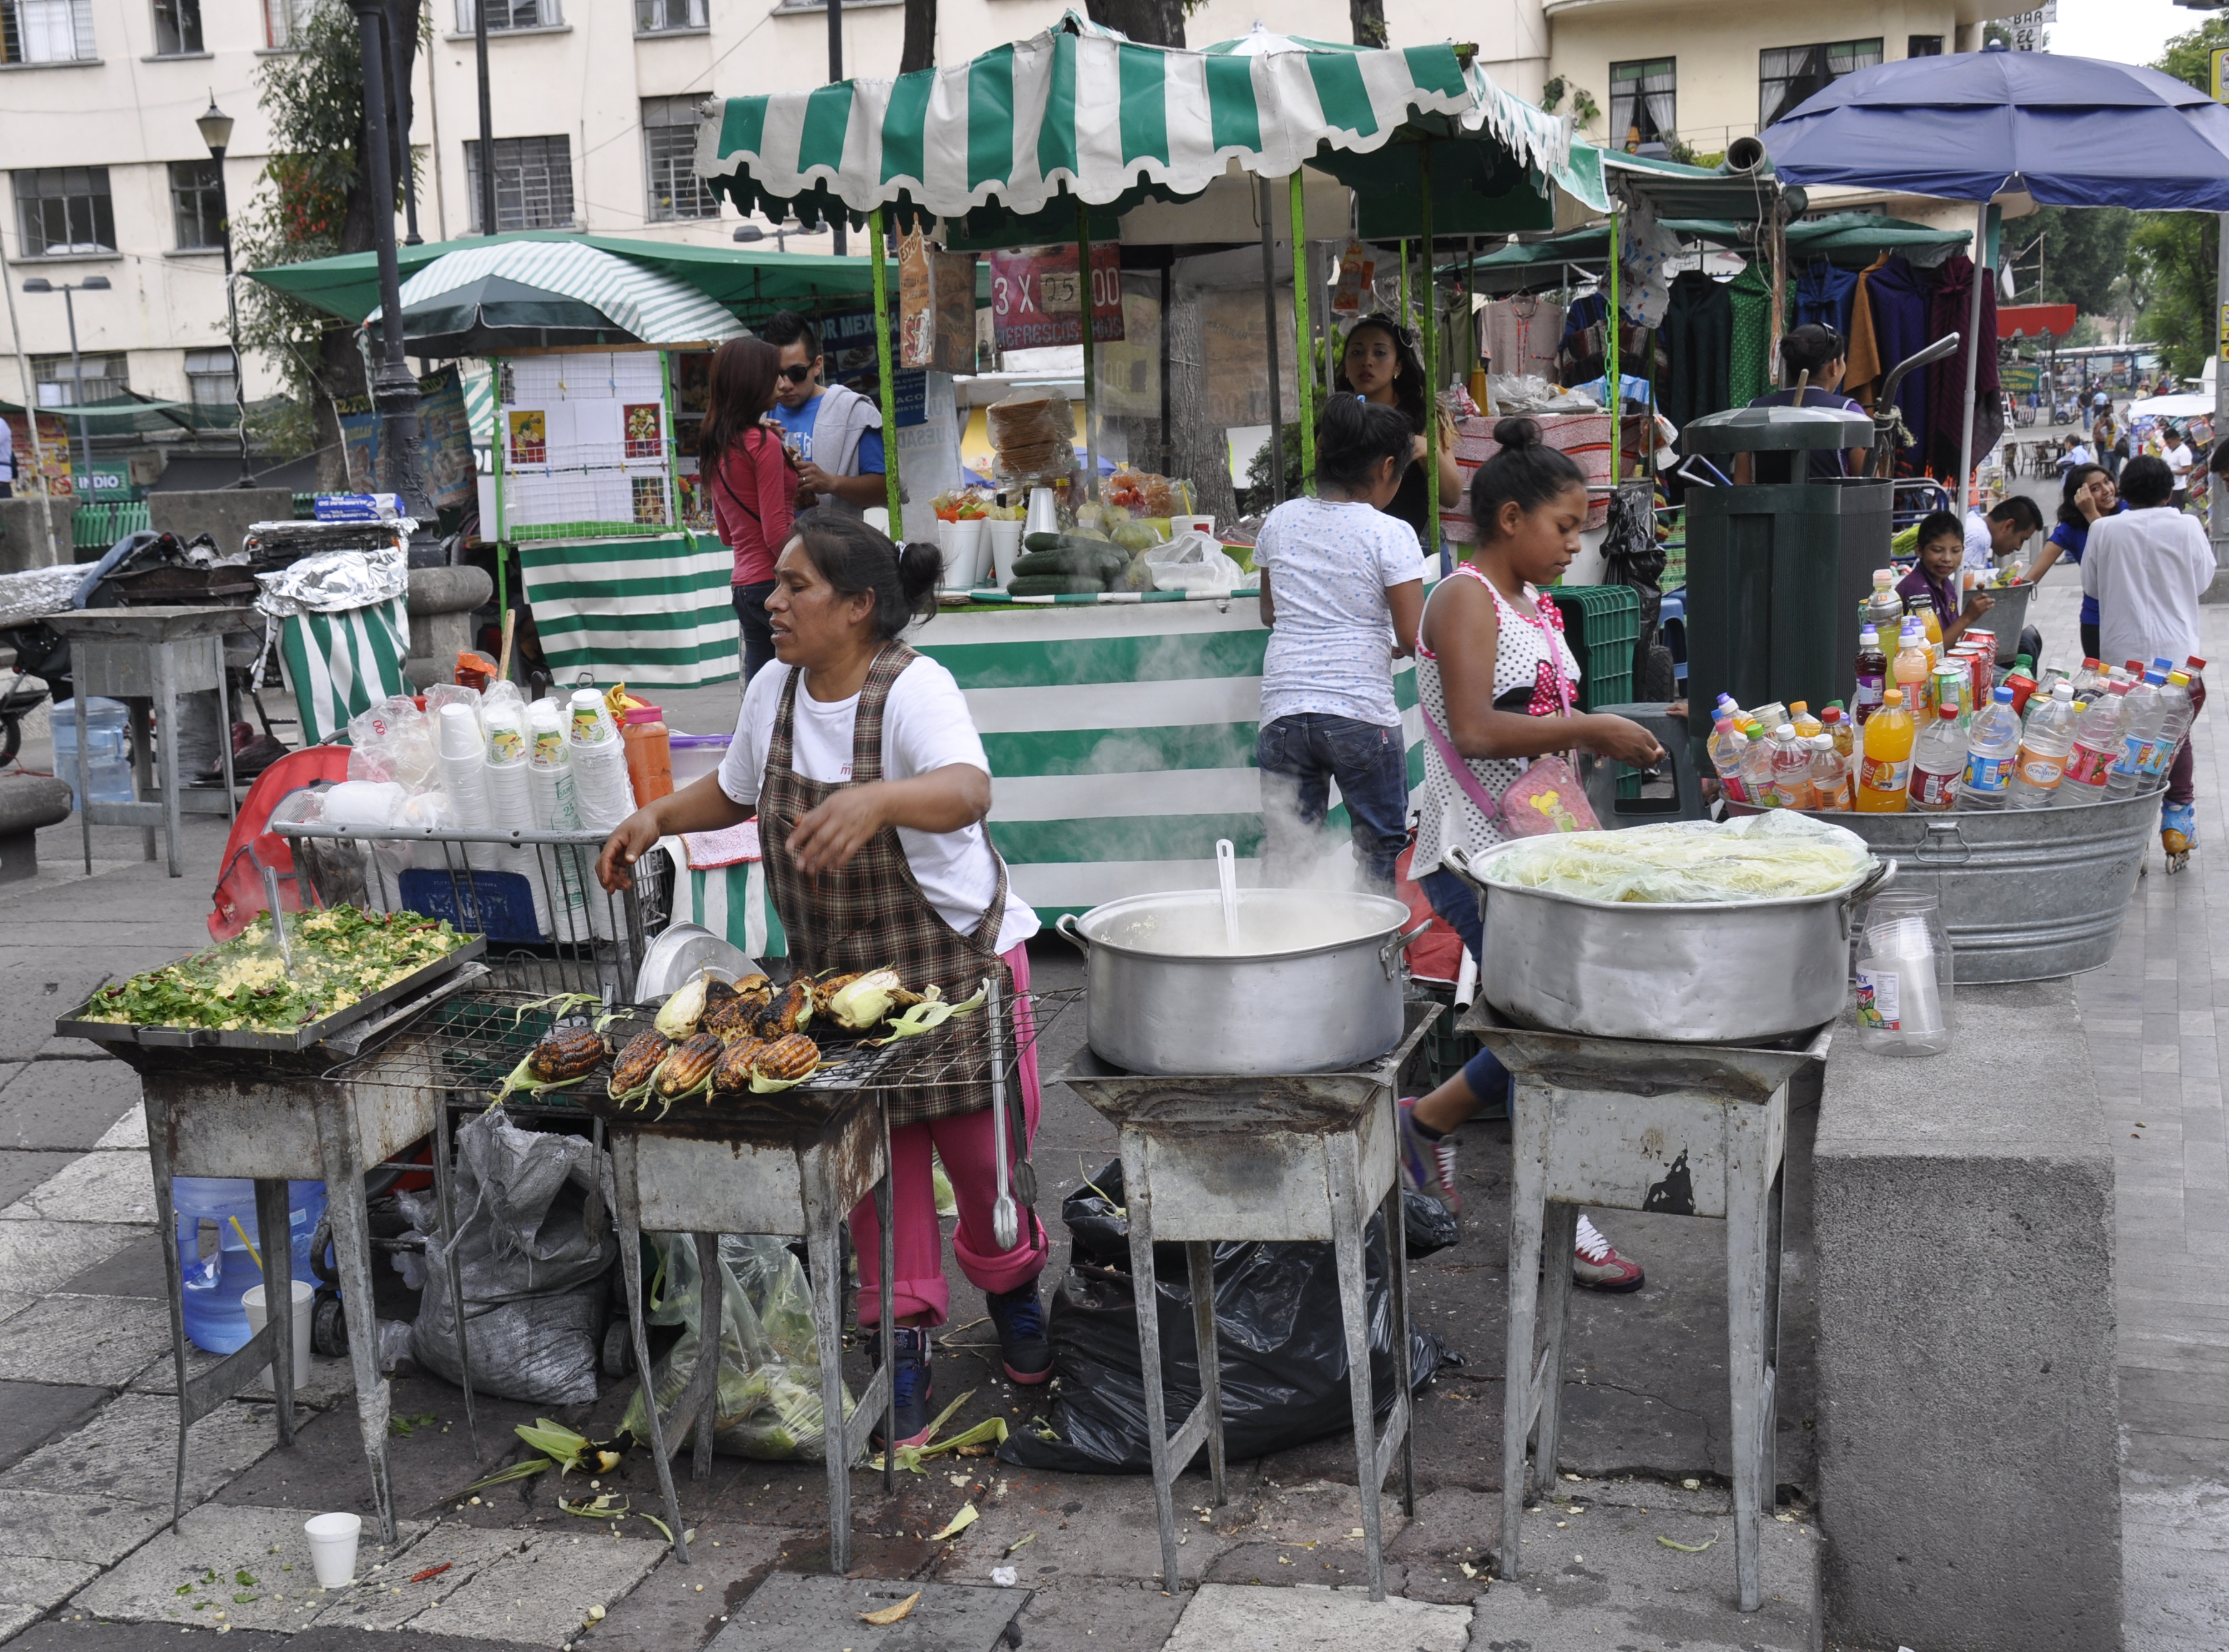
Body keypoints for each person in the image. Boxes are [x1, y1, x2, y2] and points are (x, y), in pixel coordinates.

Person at [595, 510, 1047, 1448]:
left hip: (953, 970)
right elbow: (734, 788)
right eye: (779, 584)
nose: (774, 599)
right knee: (876, 1181)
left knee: (984, 1171)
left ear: (857, 607)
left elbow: (970, 791)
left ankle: (1014, 1296)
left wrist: (879, 797)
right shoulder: (776, 689)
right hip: (842, 990)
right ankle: (904, 1351)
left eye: (796, 586)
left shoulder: (916, 688)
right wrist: (655, 820)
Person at [1401, 416, 1664, 1288]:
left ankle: (1424, 1123)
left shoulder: (1537, 607)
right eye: (1565, 526)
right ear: (1509, 517)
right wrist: (1592, 726)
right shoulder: (1464, 598)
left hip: (1535, 853)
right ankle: (1566, 1213)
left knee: (1538, 1021)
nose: (1574, 544)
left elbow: (1538, 732)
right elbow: (1475, 729)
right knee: (1553, 1028)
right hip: (1473, 855)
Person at [1253, 396, 1427, 894]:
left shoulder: (1279, 520)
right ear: (1387, 467)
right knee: (1379, 848)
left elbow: (1270, 613)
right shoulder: (1390, 533)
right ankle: (1374, 961)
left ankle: (1282, 955)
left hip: (1284, 712)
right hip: (1359, 715)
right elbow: (1413, 636)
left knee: (1288, 850)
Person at [2082, 454, 2218, 866]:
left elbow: (2092, 587)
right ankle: (2176, 825)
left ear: (2123, 491)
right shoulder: (2187, 525)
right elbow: (2203, 580)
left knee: (2124, 738)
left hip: (2122, 660)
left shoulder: (2103, 529)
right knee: (2176, 738)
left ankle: (2129, 832)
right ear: (2167, 491)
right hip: (2176, 656)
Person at [697, 337, 797, 683]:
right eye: (775, 376)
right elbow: (775, 532)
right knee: (793, 690)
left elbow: (727, 534)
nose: (784, 384)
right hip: (775, 582)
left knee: (759, 692)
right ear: (752, 381)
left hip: (743, 587)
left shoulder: (717, 443)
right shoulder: (764, 443)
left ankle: (749, 741)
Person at [1334, 314, 1462, 561]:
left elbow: (1452, 497)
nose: (1367, 362)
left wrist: (1428, 452)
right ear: (1346, 366)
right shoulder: (1335, 422)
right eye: (1357, 353)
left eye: (1380, 353)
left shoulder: (1424, 416)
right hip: (1355, 554)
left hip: (1419, 552)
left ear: (1398, 367)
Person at [759, 311, 890, 517]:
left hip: (835, 545)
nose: (786, 384)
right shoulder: (760, 414)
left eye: (797, 373)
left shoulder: (851, 411)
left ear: (817, 365)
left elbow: (887, 490)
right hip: (779, 546)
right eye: (776, 374)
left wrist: (831, 483)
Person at [1737, 323, 1872, 482]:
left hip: (1767, 506)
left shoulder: (1754, 411)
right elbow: (1869, 487)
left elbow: (1741, 487)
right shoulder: (1849, 413)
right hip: (1831, 507)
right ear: (1834, 366)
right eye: (1843, 360)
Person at [2027, 462, 2120, 661]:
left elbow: (2117, 550)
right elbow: (2032, 576)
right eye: (2095, 489)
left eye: (2107, 482)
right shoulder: (2071, 529)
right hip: (2096, 619)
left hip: (2129, 614)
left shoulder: (2127, 513)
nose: (2106, 490)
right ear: (2079, 497)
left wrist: (2091, 514)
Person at [1895, 510, 1994, 649]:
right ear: (1919, 551)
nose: (1947, 559)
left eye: (1956, 551)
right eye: (1937, 550)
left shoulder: (1945, 584)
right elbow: (1932, 651)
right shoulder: (1917, 591)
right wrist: (1967, 617)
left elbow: (1952, 635)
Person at [1962, 495, 2045, 576]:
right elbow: (1965, 585)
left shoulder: (1974, 525)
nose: (2019, 547)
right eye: (2022, 540)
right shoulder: (1980, 536)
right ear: (2008, 526)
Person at [2161, 424, 2195, 510]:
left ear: (2177, 439)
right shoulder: (2166, 449)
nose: (2168, 445)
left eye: (2169, 443)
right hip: (2165, 486)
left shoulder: (2184, 452)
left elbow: (2187, 470)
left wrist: (2172, 472)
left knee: (2175, 510)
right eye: (2166, 443)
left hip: (2177, 487)